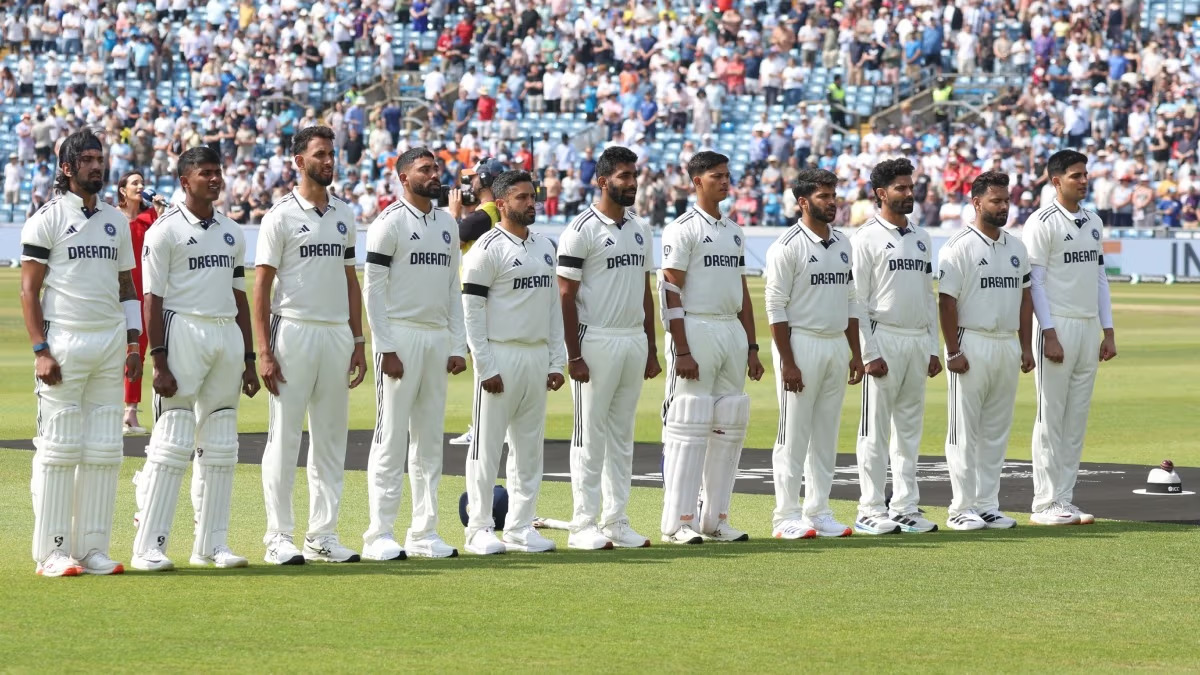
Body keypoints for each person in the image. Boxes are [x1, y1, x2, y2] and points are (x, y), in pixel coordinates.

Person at [131, 146, 260, 571]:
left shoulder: (232, 230)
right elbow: (153, 298)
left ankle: (211, 545)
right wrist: (159, 359)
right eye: (206, 173)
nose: (215, 179)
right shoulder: (163, 231)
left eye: (218, 173)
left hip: (225, 333)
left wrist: (248, 357)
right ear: (185, 181)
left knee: (222, 443)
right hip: (183, 329)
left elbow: (239, 296)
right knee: (172, 440)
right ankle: (149, 545)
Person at [20, 129, 142, 577]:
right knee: (59, 446)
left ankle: (92, 548)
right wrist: (40, 350)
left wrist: (133, 341)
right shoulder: (46, 218)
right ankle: (52, 552)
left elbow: (127, 286)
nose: (97, 166)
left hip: (110, 342)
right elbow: (29, 292)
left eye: (100, 158)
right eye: (86, 160)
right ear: (67, 168)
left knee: (105, 449)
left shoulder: (115, 220)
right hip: (65, 342)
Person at [255, 126, 367, 566]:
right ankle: (278, 537)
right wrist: (263, 351)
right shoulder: (278, 216)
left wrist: (358, 340)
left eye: (331, 154)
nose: (329, 161)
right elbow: (260, 287)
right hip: (293, 331)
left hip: (336, 333)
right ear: (298, 162)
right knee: (284, 437)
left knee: (330, 440)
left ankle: (322, 535)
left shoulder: (344, 213)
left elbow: (349, 279)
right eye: (320, 154)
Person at [361, 147, 468, 560]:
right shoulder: (388, 223)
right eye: (425, 169)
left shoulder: (445, 223)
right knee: (390, 439)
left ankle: (424, 532)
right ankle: (379, 535)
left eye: (436, 168)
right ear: (404, 177)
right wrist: (385, 346)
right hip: (400, 337)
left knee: (429, 443)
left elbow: (451, 290)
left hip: (436, 337)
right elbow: (373, 290)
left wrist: (457, 345)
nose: (435, 174)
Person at [556, 146, 661, 550]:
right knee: (589, 434)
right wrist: (574, 355)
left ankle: (616, 520)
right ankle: (583, 524)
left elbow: (645, 290)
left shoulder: (641, 228)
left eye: (634, 175)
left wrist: (651, 347)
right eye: (623, 176)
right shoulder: (580, 229)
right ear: (602, 181)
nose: (631, 182)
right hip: (595, 338)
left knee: (622, 435)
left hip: (632, 339)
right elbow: (565, 296)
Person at [658, 151, 765, 545]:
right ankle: (678, 522)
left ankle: (715, 518)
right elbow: (669, 289)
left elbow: (742, 292)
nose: (725, 181)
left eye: (727, 175)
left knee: (729, 423)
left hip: (730, 330)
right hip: (697, 327)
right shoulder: (682, 229)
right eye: (716, 176)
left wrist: (752, 346)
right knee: (688, 423)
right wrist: (681, 348)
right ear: (696, 182)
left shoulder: (734, 231)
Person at [461, 170, 566, 555]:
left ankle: (521, 526)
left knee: (529, 449)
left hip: (536, 356)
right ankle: (479, 528)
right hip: (500, 355)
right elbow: (472, 311)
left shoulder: (544, 246)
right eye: (521, 198)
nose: (530, 203)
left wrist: (558, 360)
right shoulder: (486, 249)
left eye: (532, 196)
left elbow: (552, 307)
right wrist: (485, 366)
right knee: (486, 449)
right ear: (501, 204)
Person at [764, 169, 865, 540]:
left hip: (836, 343)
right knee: (793, 434)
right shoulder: (787, 245)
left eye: (833, 195)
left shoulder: (842, 243)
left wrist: (856, 353)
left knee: (826, 433)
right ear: (803, 202)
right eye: (823, 196)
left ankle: (819, 510)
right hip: (801, 343)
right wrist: (787, 361)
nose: (832, 202)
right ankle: (785, 515)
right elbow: (775, 306)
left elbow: (851, 300)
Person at [1022, 149, 1117, 526]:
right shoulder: (1041, 222)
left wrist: (1107, 331)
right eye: (1076, 175)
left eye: (1085, 174)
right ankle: (1044, 503)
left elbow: (1099, 278)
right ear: (1055, 180)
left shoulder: (1093, 221)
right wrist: (1048, 333)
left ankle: (1065, 498)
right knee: (1051, 417)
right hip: (1055, 326)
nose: (1084, 180)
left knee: (1075, 418)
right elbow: (1035, 283)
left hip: (1085, 324)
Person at [937, 171, 1036, 531]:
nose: (1003, 207)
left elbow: (1026, 299)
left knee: (996, 430)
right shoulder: (958, 245)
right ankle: (959, 507)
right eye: (996, 201)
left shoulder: (1016, 246)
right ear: (977, 203)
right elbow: (946, 303)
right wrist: (952, 350)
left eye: (1006, 201)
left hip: (1006, 342)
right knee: (964, 430)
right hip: (972, 341)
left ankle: (987, 504)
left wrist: (1026, 346)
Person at [852, 157, 942, 536]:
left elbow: (928, 294)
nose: (909, 193)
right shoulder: (865, 238)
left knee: (909, 431)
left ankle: (905, 505)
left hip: (916, 339)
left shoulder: (922, 238)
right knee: (875, 431)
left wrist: (933, 345)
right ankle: (870, 507)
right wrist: (869, 352)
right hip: (883, 337)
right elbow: (856, 299)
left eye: (911, 187)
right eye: (901, 188)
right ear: (880, 194)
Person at [449, 157, 507, 447]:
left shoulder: (482, 216)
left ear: (484, 181)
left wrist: (454, 213)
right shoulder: (496, 214)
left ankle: (482, 425)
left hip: (475, 294)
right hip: (494, 295)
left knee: (482, 362)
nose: (468, 183)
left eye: (474, 178)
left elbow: (448, 242)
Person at [115, 171, 165, 435]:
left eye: (142, 182)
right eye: (135, 183)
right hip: (113, 293)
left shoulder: (151, 219)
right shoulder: (111, 218)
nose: (141, 186)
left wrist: (160, 213)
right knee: (110, 352)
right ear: (122, 189)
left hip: (143, 295)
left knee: (137, 352)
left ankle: (130, 413)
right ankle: (107, 410)